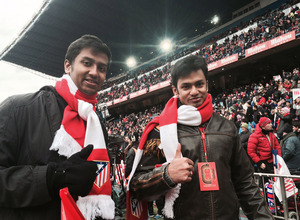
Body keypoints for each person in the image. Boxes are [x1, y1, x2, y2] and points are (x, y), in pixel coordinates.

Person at [127, 55, 273, 219]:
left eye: (199, 84)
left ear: (207, 84)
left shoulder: (227, 127)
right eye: (186, 86)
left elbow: (245, 183)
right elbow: (137, 186)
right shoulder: (159, 131)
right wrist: (166, 175)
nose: (194, 91)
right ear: (175, 90)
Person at [0, 35, 114, 220]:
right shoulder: (17, 109)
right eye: (87, 63)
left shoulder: (95, 122)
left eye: (102, 68)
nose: (95, 72)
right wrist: (50, 179)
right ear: (67, 66)